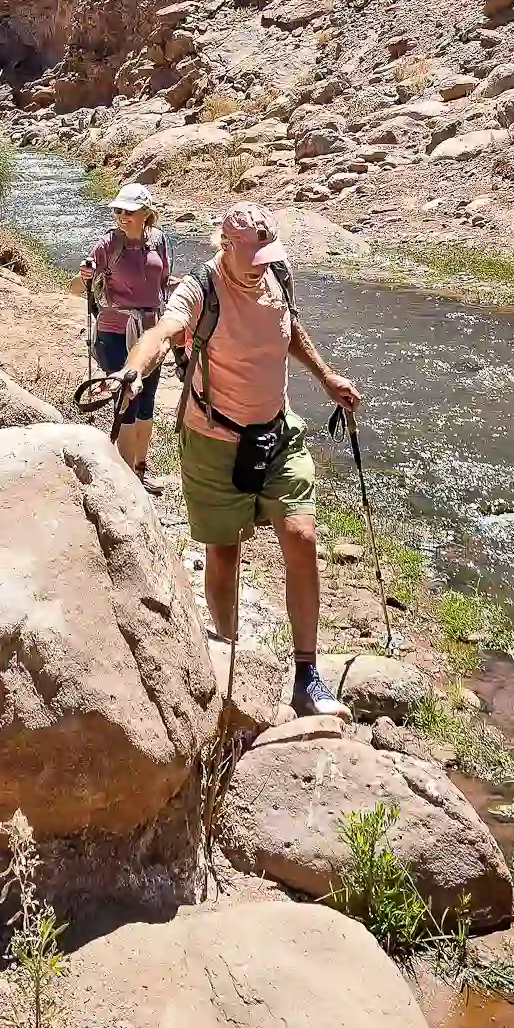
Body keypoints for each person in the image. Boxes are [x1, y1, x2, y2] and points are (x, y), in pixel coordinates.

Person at [114, 204, 361, 719]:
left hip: (276, 433)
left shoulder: (276, 277)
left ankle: (306, 676)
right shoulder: (199, 289)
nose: (262, 266)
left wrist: (327, 378)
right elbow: (163, 332)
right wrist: (133, 370)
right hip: (213, 441)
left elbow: (290, 330)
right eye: (253, 258)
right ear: (226, 248)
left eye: (267, 256)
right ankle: (227, 659)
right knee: (224, 555)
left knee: (302, 537)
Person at [79, 181, 173, 486]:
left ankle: (140, 469)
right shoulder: (106, 244)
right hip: (114, 333)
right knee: (129, 401)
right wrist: (85, 276)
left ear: (146, 213)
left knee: (147, 402)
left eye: (130, 211)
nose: (122, 215)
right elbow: (78, 288)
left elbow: (164, 282)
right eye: (119, 210)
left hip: (149, 332)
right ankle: (126, 479)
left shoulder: (159, 241)